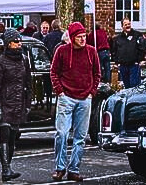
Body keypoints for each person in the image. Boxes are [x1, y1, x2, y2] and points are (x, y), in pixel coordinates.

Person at [50, 22, 100, 182]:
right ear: (72, 38)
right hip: (66, 97)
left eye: (84, 36)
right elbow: (54, 72)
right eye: (79, 37)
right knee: (62, 133)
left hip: (85, 98)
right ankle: (60, 168)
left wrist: (92, 92)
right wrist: (60, 91)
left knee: (80, 137)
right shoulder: (62, 51)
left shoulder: (91, 52)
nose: (83, 39)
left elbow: (97, 73)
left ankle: (74, 169)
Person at [0, 28, 31, 181]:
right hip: (5, 102)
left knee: (13, 137)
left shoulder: (24, 59)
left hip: (18, 102)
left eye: (20, 40)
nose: (19, 43)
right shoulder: (0, 61)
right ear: (9, 44)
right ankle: (5, 169)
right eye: (16, 41)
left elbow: (29, 82)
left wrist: (28, 103)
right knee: (5, 135)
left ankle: (9, 165)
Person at [112, 17, 145, 88]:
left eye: (129, 24)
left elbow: (142, 48)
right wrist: (117, 62)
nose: (128, 26)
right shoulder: (118, 38)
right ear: (122, 26)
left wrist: (140, 60)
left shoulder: (137, 35)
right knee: (126, 87)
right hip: (123, 66)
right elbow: (114, 51)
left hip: (134, 65)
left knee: (134, 86)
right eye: (125, 24)